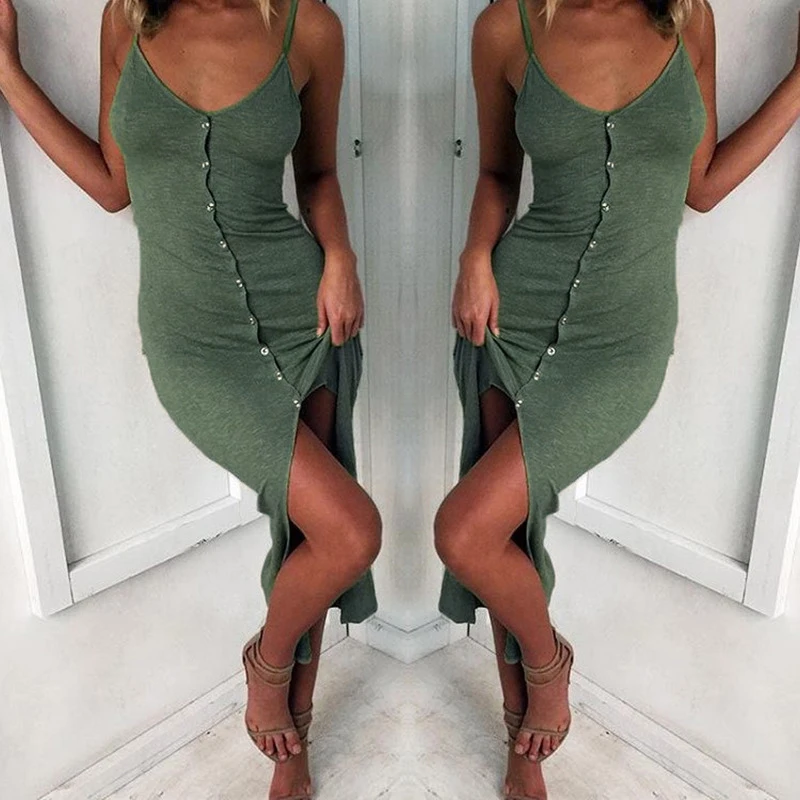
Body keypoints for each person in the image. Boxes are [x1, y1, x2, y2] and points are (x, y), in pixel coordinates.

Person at [0, 1, 381, 798]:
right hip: (193, 339)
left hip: (306, 312)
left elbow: (316, 175)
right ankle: (266, 669)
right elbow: (113, 186)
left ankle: (291, 748)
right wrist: (9, 74)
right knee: (348, 531)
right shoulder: (129, 19)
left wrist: (340, 254)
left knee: (309, 536)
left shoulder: (309, 27)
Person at [433, 1, 800, 798]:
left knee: (466, 530)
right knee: (503, 539)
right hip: (508, 315)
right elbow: (497, 176)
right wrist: (474, 257)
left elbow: (701, 187)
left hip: (623, 339)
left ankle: (547, 669)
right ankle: (524, 751)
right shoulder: (505, 27)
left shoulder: (686, 19)